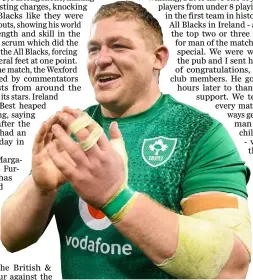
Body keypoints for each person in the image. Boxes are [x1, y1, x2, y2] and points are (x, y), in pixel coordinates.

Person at [1, 1, 251, 279]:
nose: (101, 59)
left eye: (118, 46)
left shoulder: (200, 133)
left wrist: (115, 197)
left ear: (159, 58)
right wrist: (41, 188)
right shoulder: (74, 130)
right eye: (94, 49)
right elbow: (10, 239)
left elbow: (231, 265)